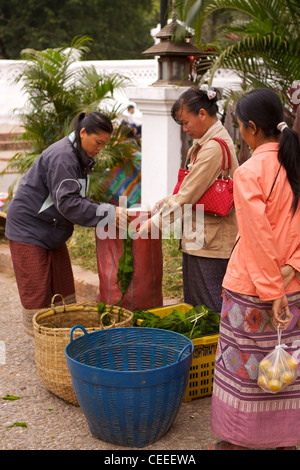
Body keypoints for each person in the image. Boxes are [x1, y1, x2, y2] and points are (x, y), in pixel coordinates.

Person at [209, 88, 300, 450]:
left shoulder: (249, 171)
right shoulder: (295, 163)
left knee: (245, 371)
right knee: (287, 369)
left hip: (253, 289)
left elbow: (257, 237)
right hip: (293, 287)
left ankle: (242, 440)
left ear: (249, 128)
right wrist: (293, 268)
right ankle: (283, 439)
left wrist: (272, 291)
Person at [5, 111, 128, 335]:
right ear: (82, 133)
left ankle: (61, 341)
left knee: (63, 291)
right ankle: (46, 349)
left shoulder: (77, 153)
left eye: (104, 144)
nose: (100, 148)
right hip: (28, 228)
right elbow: (70, 204)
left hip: (50, 229)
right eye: (98, 142)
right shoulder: (63, 157)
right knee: (38, 295)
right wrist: (108, 212)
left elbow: (73, 199)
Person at [139, 85, 239, 313]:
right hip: (200, 239)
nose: (184, 129)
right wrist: (168, 200)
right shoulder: (207, 142)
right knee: (195, 307)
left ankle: (213, 349)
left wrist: (153, 225)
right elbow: (193, 189)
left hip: (210, 244)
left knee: (209, 310)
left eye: (186, 122)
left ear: (202, 114)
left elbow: (188, 196)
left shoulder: (213, 148)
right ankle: (203, 348)